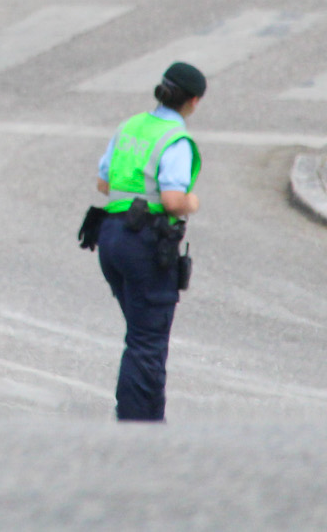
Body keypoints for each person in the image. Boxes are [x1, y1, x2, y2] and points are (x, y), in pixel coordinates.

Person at [88, 61, 204, 422]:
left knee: (141, 335)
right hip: (145, 243)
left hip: (111, 236)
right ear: (194, 101)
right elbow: (172, 201)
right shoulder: (175, 140)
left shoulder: (131, 126)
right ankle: (139, 428)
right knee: (146, 342)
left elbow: (103, 183)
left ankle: (147, 419)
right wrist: (192, 202)